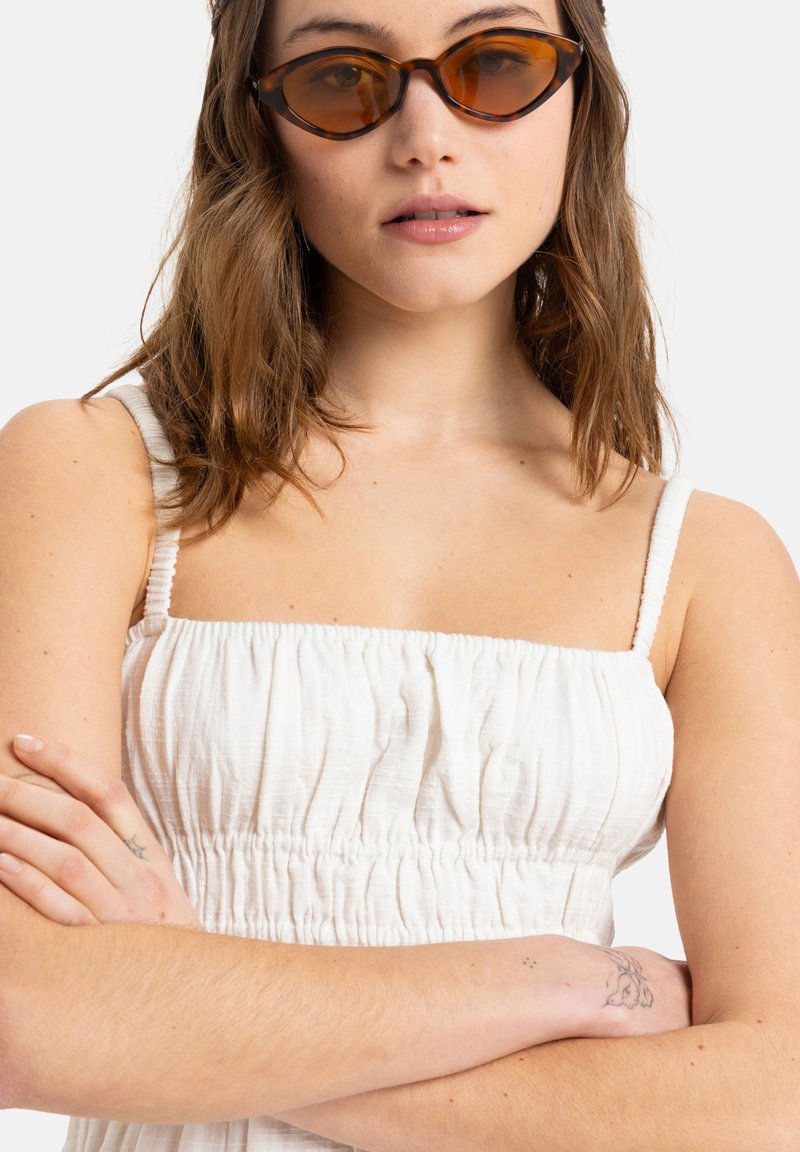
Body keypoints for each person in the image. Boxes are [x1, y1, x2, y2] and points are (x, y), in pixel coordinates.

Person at [0, 0, 797, 1148]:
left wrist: (185, 1012)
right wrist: (554, 980)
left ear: (580, 98)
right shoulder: (89, 475)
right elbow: (25, 1018)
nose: (426, 138)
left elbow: (772, 1093)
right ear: (255, 123)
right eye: (340, 77)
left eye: (496, 64)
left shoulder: (704, 561)